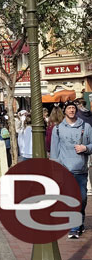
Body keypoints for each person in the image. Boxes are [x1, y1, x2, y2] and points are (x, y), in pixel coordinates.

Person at [50, 102, 92, 239]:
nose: (72, 110)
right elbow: (54, 151)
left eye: (74, 108)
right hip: (65, 169)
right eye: (69, 108)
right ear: (65, 111)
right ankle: (74, 228)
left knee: (83, 198)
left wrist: (85, 148)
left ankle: (79, 222)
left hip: (81, 169)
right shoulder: (57, 129)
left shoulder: (86, 127)